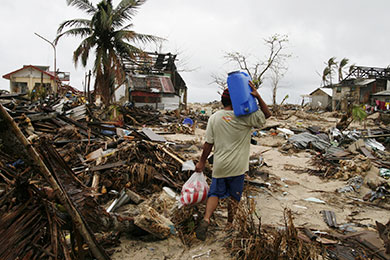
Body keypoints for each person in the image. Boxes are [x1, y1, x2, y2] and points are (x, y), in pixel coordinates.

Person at [195, 81, 271, 241]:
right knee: (234, 197)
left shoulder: (214, 118)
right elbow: (267, 115)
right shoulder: (246, 117)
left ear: (222, 101)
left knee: (214, 193)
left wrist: (201, 162)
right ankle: (229, 224)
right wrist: (258, 97)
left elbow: (208, 143)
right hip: (238, 166)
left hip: (220, 165)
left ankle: (207, 218)